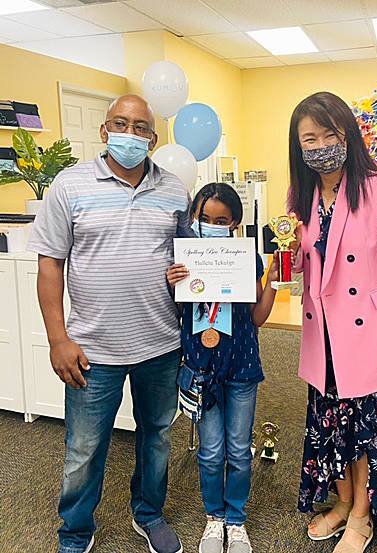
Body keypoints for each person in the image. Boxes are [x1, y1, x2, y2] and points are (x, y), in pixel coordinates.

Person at [27, 94, 192, 553]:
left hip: (161, 343)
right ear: (104, 131)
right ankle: (76, 532)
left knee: (156, 436)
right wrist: (57, 338)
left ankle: (149, 514)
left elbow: (191, 259)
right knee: (83, 450)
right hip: (91, 350)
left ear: (154, 139)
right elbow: (48, 266)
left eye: (141, 127)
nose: (131, 133)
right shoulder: (69, 185)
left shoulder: (174, 189)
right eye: (121, 123)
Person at [287, 92, 377, 552]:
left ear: (348, 134)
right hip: (323, 334)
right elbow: (304, 266)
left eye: (331, 133)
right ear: (299, 146)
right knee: (331, 427)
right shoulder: (299, 194)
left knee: (365, 434)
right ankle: (344, 503)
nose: (322, 144)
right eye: (311, 138)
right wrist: (285, 259)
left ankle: (363, 518)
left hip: (373, 336)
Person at [166, 182, 278, 553]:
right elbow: (182, 313)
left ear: (235, 223)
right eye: (204, 218)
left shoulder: (248, 259)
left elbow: (257, 318)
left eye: (221, 220)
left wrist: (272, 283)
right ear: (193, 219)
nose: (212, 224)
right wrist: (173, 285)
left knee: (240, 449)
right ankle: (214, 518)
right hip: (201, 367)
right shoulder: (182, 262)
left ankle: (236, 520)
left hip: (242, 365)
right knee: (211, 450)